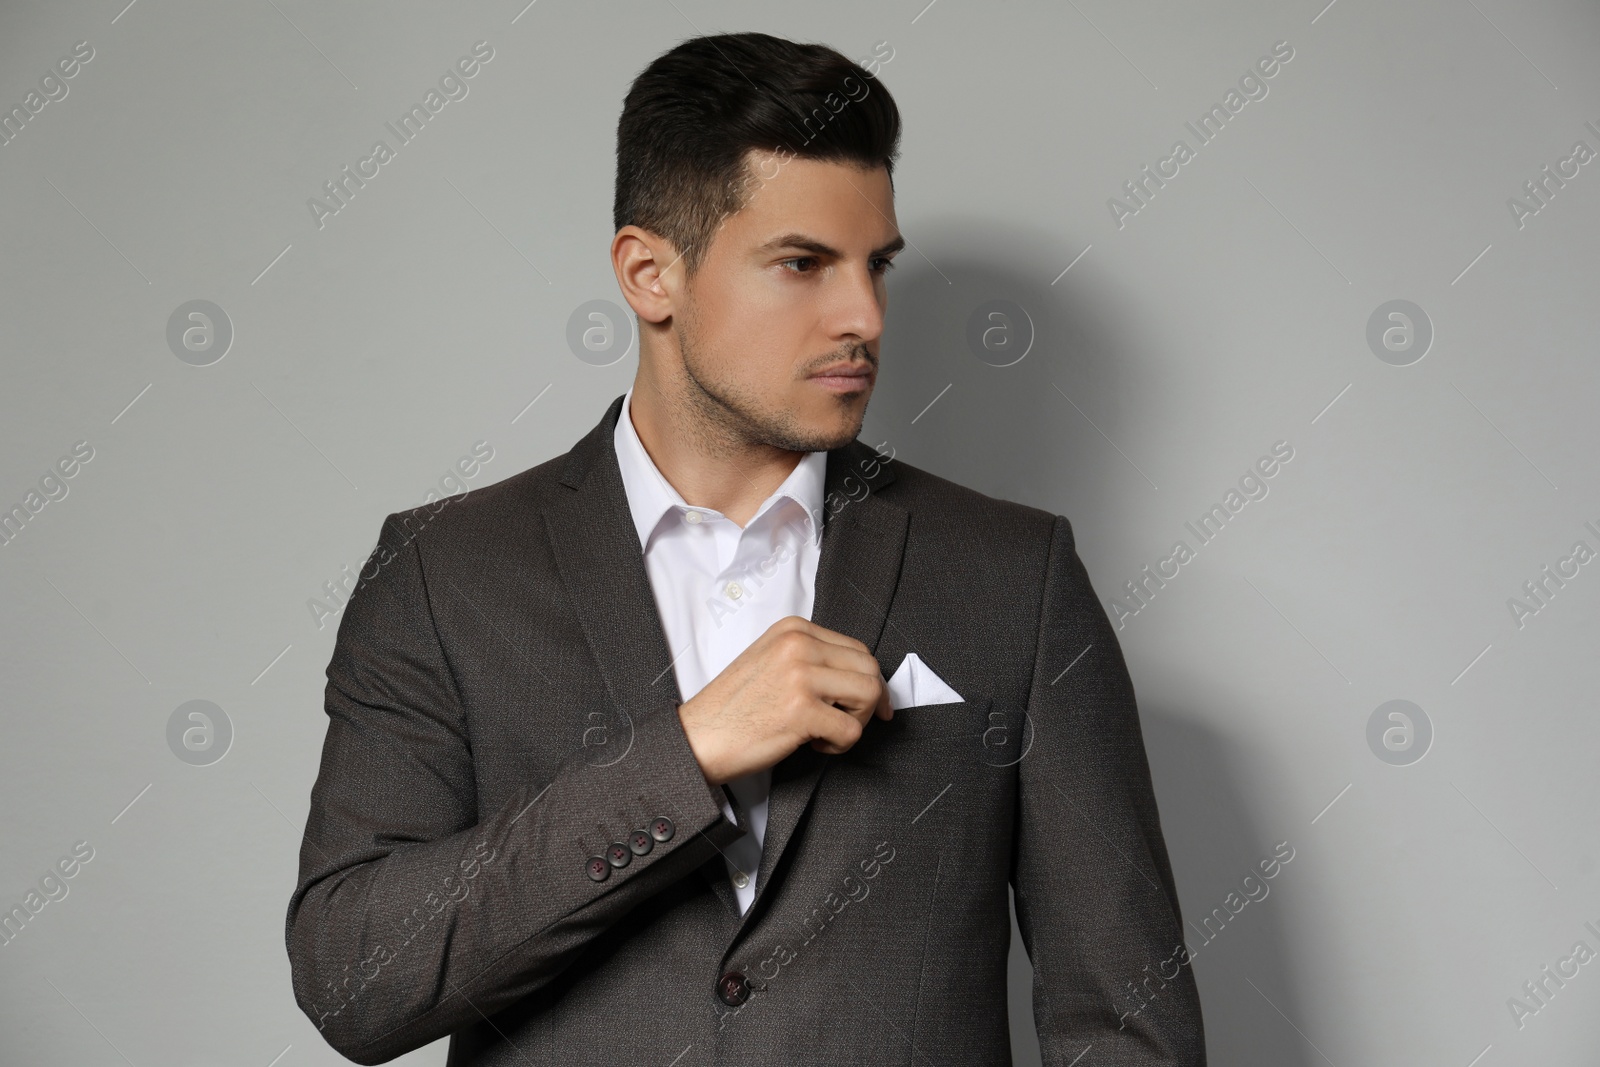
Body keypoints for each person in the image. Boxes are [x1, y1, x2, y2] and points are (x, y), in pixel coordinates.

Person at [285, 30, 1205, 1066]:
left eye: (875, 267)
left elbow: (1125, 1021)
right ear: (649, 274)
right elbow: (352, 980)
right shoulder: (444, 571)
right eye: (802, 264)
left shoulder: (1013, 575)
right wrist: (686, 756)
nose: (863, 315)